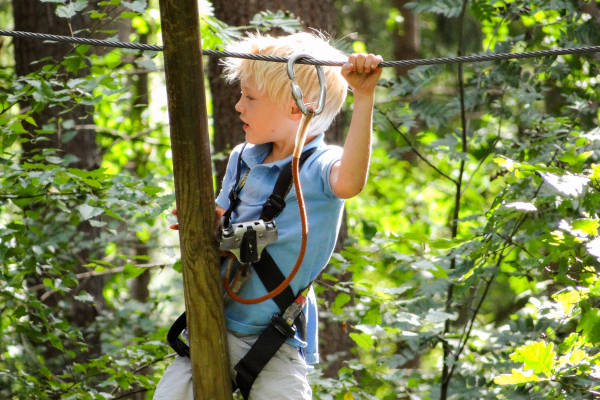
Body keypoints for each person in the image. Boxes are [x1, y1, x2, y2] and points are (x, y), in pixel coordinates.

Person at [154, 31, 382, 400]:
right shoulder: (243, 159)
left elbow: (351, 182)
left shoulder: (321, 167)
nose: (239, 106)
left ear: (297, 108)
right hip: (213, 320)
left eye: (250, 97)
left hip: (273, 339)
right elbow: (224, 225)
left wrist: (365, 96)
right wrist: (205, 222)